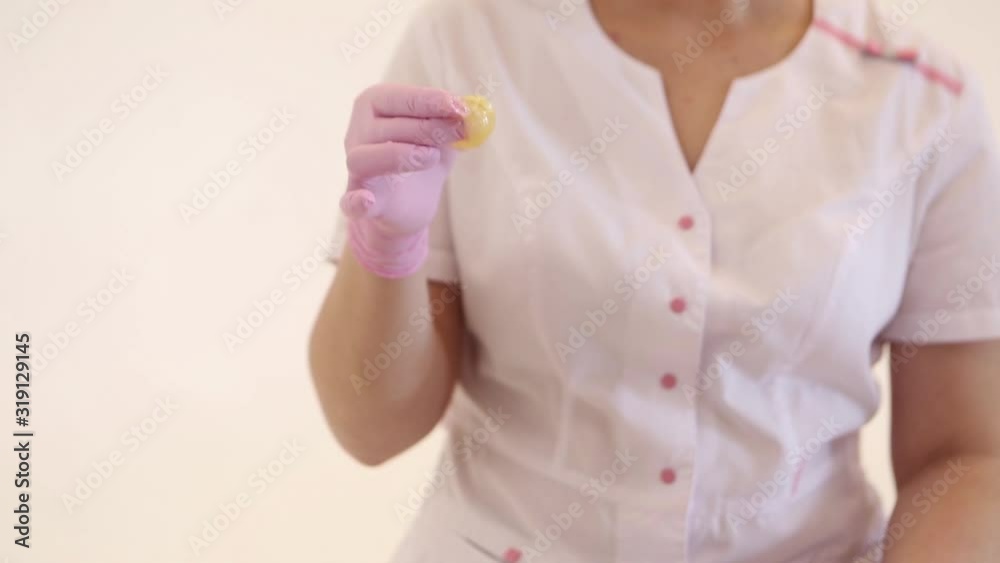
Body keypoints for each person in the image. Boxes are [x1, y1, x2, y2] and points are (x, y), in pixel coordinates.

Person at [309, 0, 1000, 561]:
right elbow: (370, 430)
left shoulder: (923, 99)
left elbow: (965, 456)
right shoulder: (470, 39)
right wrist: (387, 246)